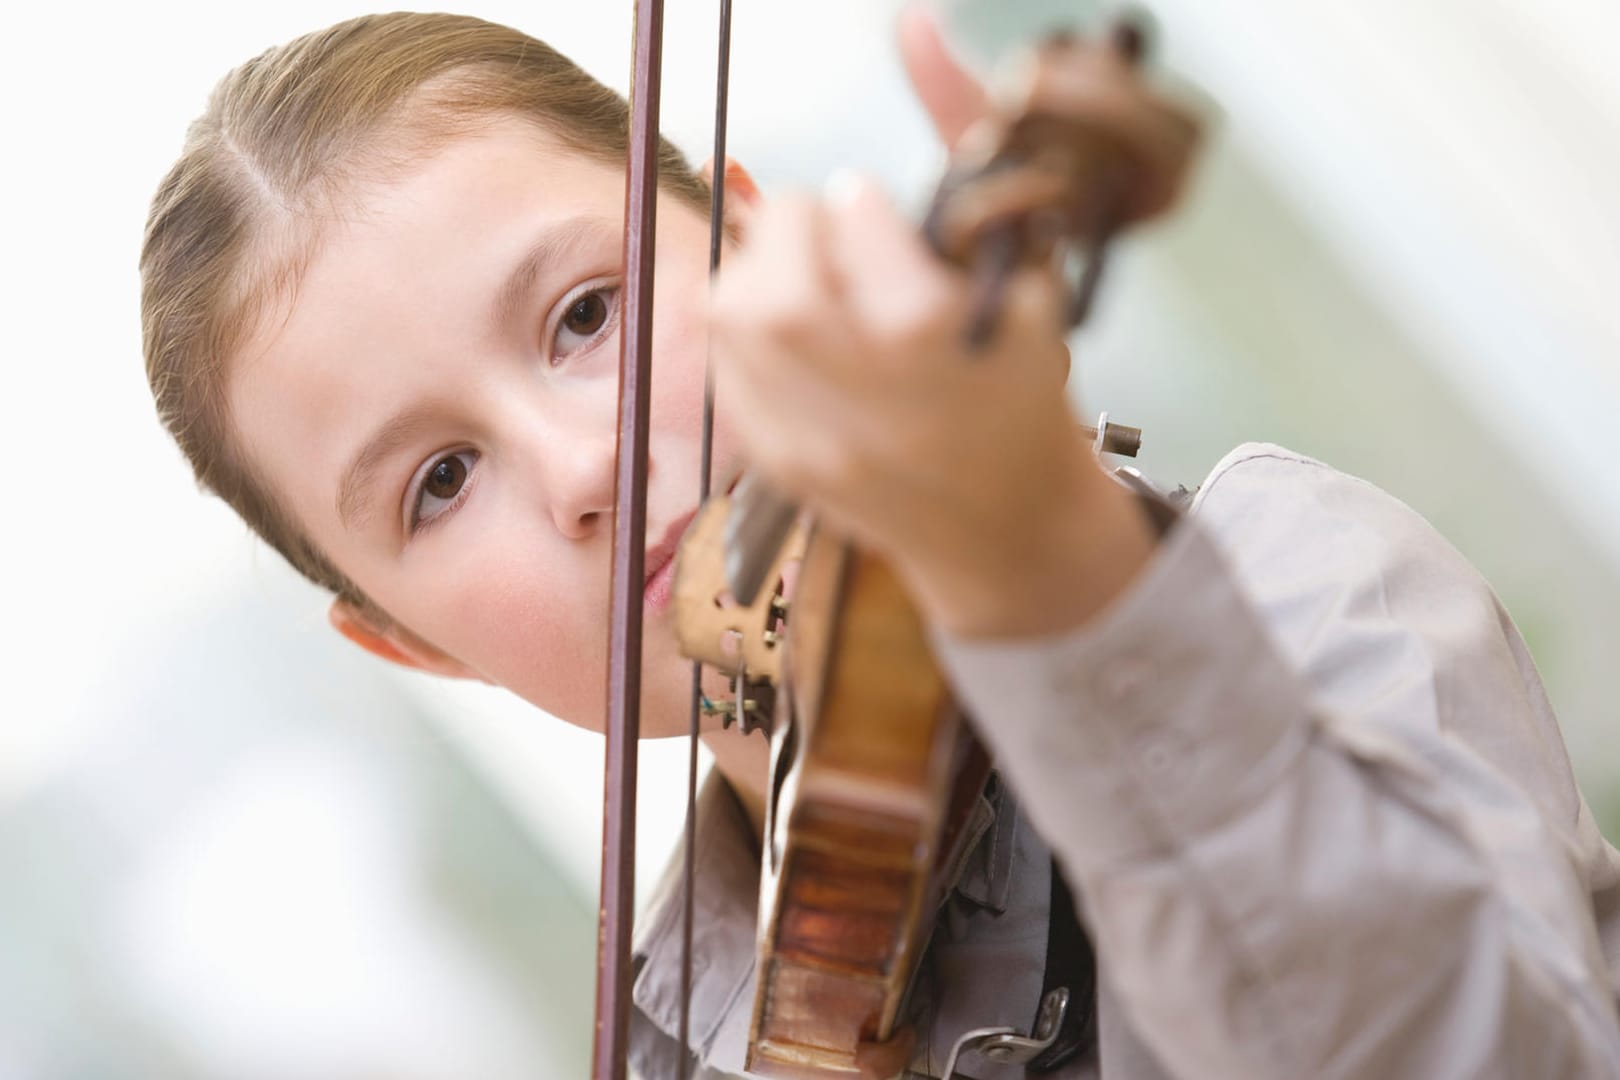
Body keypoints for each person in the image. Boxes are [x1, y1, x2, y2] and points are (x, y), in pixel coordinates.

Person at [140, 10, 1620, 1079]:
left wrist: (1060, 578)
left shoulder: (1280, 575)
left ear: (755, 243)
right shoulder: (665, 1040)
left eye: (586, 314)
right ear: (411, 644)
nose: (581, 465)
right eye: (441, 481)